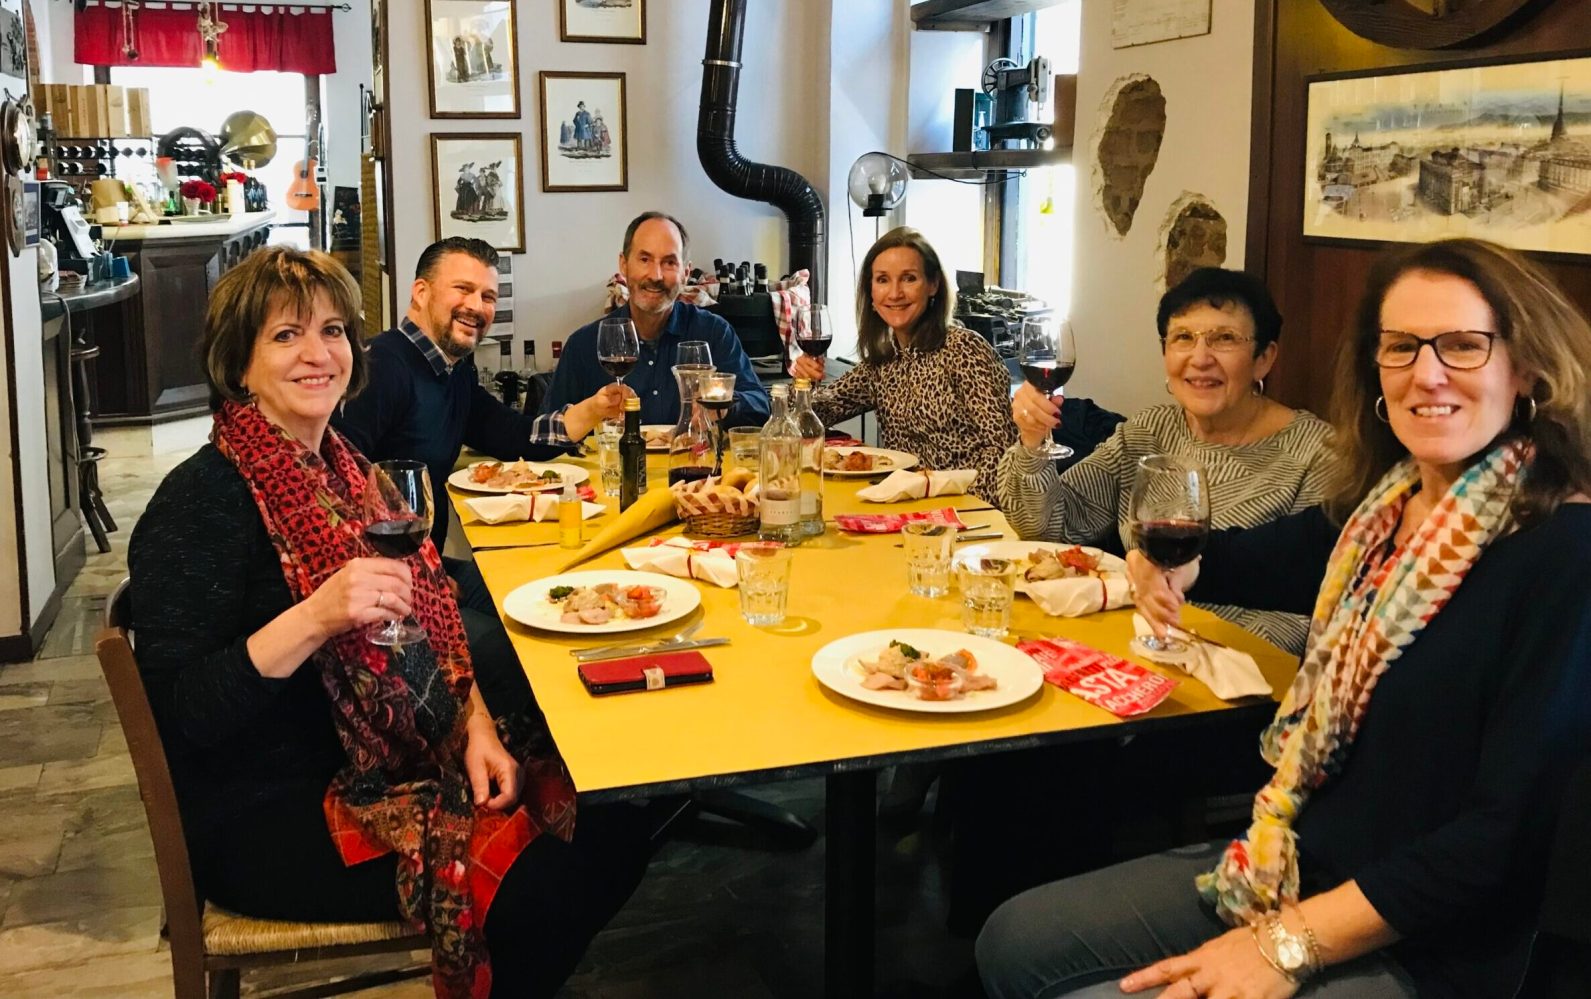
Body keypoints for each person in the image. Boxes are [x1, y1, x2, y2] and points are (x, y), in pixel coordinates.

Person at [977, 238, 1591, 999]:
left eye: (1463, 346)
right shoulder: (1381, 510)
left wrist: (1284, 945)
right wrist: (1178, 562)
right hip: (1291, 859)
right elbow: (1260, 554)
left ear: (1525, 368)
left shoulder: (1561, 551)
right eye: (1400, 347)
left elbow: (1504, 839)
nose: (1426, 374)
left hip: (1430, 941)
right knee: (1012, 938)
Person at [128, 247, 654, 998]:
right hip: (268, 809)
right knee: (547, 877)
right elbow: (184, 712)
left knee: (614, 812)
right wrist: (315, 616)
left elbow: (433, 634)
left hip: (383, 762)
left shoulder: (347, 471)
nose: (318, 353)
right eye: (286, 336)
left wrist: (474, 725)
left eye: (334, 330)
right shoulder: (200, 500)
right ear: (237, 364)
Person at [998, 268, 1335, 654]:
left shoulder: (1317, 454)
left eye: (1224, 338)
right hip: (1125, 647)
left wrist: (1178, 641)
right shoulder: (1150, 431)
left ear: (1264, 358)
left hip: (1234, 680)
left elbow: (1303, 621)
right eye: (1183, 338)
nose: (1200, 358)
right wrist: (1033, 444)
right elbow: (1048, 527)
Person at [333, 236, 623, 557]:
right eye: (462, 289)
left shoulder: (454, 370)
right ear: (421, 292)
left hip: (428, 568)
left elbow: (513, 436)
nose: (476, 306)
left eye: (488, 296)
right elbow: (336, 491)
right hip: (388, 576)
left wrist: (595, 408)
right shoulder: (380, 366)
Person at [789, 225, 1015, 501]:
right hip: (905, 507)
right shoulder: (882, 362)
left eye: (909, 278)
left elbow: (1004, 450)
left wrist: (964, 504)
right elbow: (812, 418)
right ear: (871, 292)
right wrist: (803, 384)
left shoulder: (966, 350)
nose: (895, 293)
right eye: (883, 280)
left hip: (969, 513)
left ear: (933, 285)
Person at [540, 211, 770, 427]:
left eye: (669, 262)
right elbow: (547, 429)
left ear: (686, 273)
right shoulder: (584, 345)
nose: (656, 275)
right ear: (623, 264)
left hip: (695, 466)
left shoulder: (714, 333)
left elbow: (760, 405)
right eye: (644, 259)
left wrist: (725, 404)